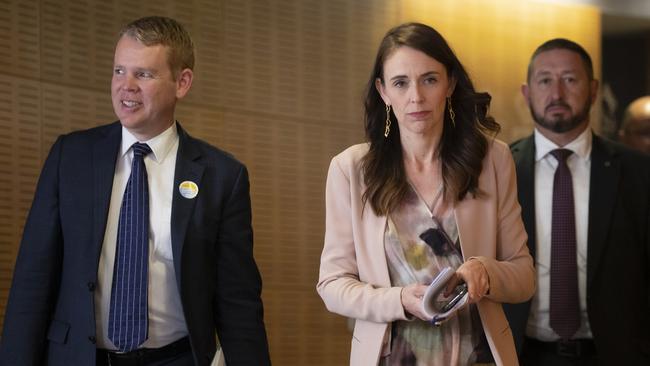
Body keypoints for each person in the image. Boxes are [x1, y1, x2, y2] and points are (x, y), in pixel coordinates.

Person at [0, 16, 270, 366]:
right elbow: (32, 282)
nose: (125, 86)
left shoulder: (223, 176)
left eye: (143, 74)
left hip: (174, 359)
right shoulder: (71, 157)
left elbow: (238, 302)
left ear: (182, 82)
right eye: (118, 71)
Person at [317, 22, 535, 366]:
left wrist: (485, 271)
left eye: (429, 79)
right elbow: (332, 285)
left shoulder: (493, 160)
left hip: (479, 356)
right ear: (383, 91)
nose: (416, 96)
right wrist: (400, 300)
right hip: (392, 357)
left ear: (449, 83)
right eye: (401, 83)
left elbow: (524, 277)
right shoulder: (351, 169)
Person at [504, 38, 650, 365]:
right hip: (522, 354)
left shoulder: (638, 173)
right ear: (527, 93)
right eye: (545, 81)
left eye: (570, 79)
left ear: (594, 89)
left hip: (616, 355)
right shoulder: (499, 171)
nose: (557, 94)